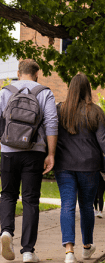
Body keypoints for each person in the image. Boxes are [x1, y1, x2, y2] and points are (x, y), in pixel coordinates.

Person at [0, 59, 58, 262]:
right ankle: (28, 250)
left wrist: (3, 145)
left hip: (9, 151)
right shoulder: (44, 92)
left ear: (19, 73)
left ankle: (6, 232)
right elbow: (52, 124)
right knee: (30, 200)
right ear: (37, 74)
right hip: (34, 152)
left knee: (8, 194)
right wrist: (51, 153)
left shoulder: (5, 91)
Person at [54, 73, 105, 263]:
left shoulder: (59, 110)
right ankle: (86, 247)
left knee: (67, 204)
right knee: (86, 206)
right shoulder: (96, 112)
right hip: (89, 166)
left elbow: (50, 135)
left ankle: (69, 252)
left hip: (64, 166)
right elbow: (103, 142)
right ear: (88, 89)